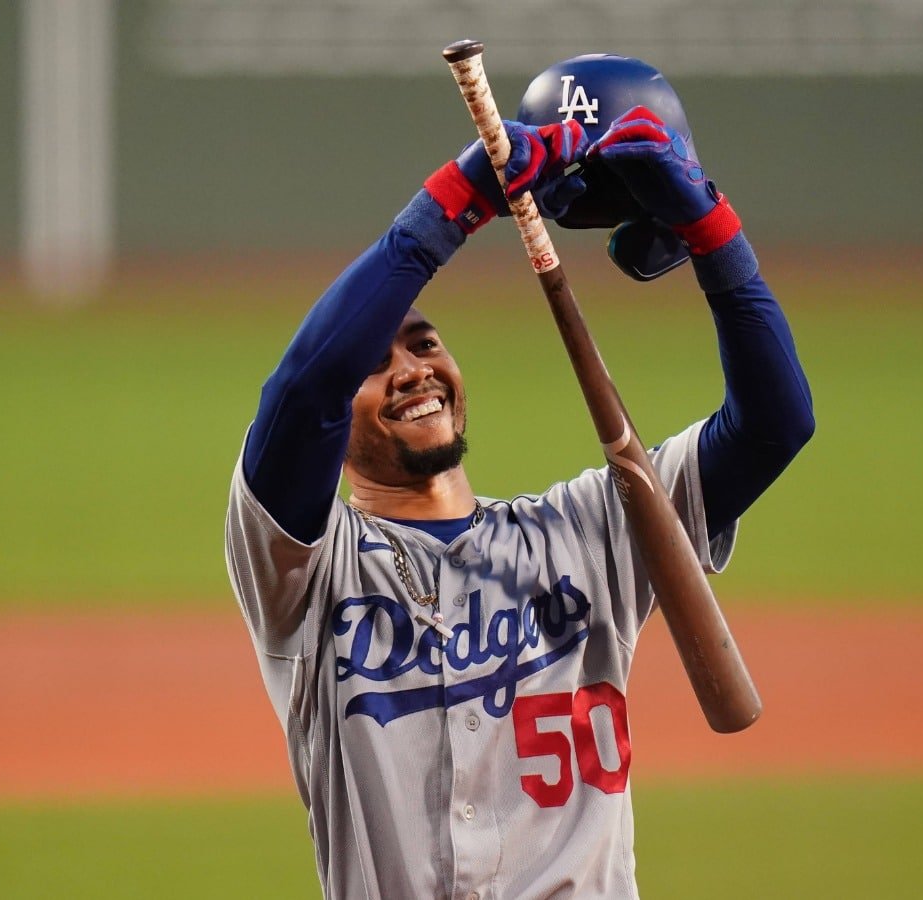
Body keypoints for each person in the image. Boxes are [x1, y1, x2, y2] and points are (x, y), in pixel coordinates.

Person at [226, 54, 814, 900]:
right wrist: (454, 205)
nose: (410, 371)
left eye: (424, 344)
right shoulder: (302, 575)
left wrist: (711, 229)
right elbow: (303, 389)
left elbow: (774, 423)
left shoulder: (599, 530)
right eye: (375, 361)